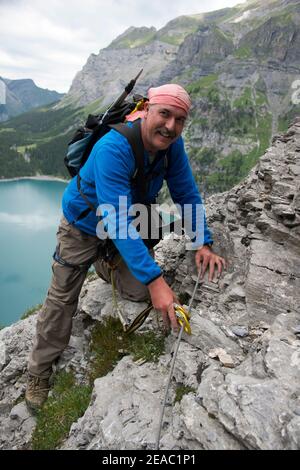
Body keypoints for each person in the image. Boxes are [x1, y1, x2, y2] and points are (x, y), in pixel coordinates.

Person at [25, 84, 226, 411]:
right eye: (165, 114)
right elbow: (113, 220)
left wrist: (201, 241)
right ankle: (38, 371)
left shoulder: (172, 147)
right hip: (84, 224)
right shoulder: (113, 148)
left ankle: (107, 263)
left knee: (138, 292)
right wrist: (156, 279)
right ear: (148, 109)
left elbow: (186, 193)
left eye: (180, 119)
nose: (171, 126)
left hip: (128, 220)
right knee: (62, 297)